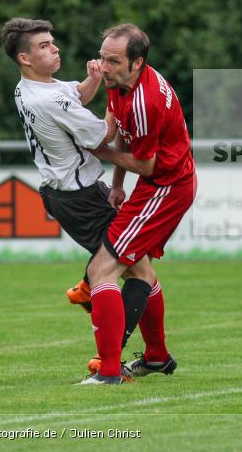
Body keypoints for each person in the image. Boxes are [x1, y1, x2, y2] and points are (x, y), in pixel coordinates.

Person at [1, 18, 154, 379]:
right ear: (24, 58)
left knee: (131, 269)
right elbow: (100, 135)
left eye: (52, 42)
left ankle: (91, 292)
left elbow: (76, 96)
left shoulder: (30, 89)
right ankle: (110, 361)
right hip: (80, 196)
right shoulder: (49, 99)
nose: (54, 48)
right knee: (140, 275)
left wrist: (96, 80)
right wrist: (117, 98)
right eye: (43, 46)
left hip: (71, 193)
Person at [82, 23, 196, 385]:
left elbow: (144, 163)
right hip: (157, 184)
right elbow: (124, 136)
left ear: (137, 62)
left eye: (112, 61)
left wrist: (99, 151)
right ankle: (157, 358)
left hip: (164, 187)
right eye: (102, 57)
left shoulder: (145, 101)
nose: (103, 67)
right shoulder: (122, 82)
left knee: (102, 271)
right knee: (140, 272)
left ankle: (109, 373)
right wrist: (117, 185)